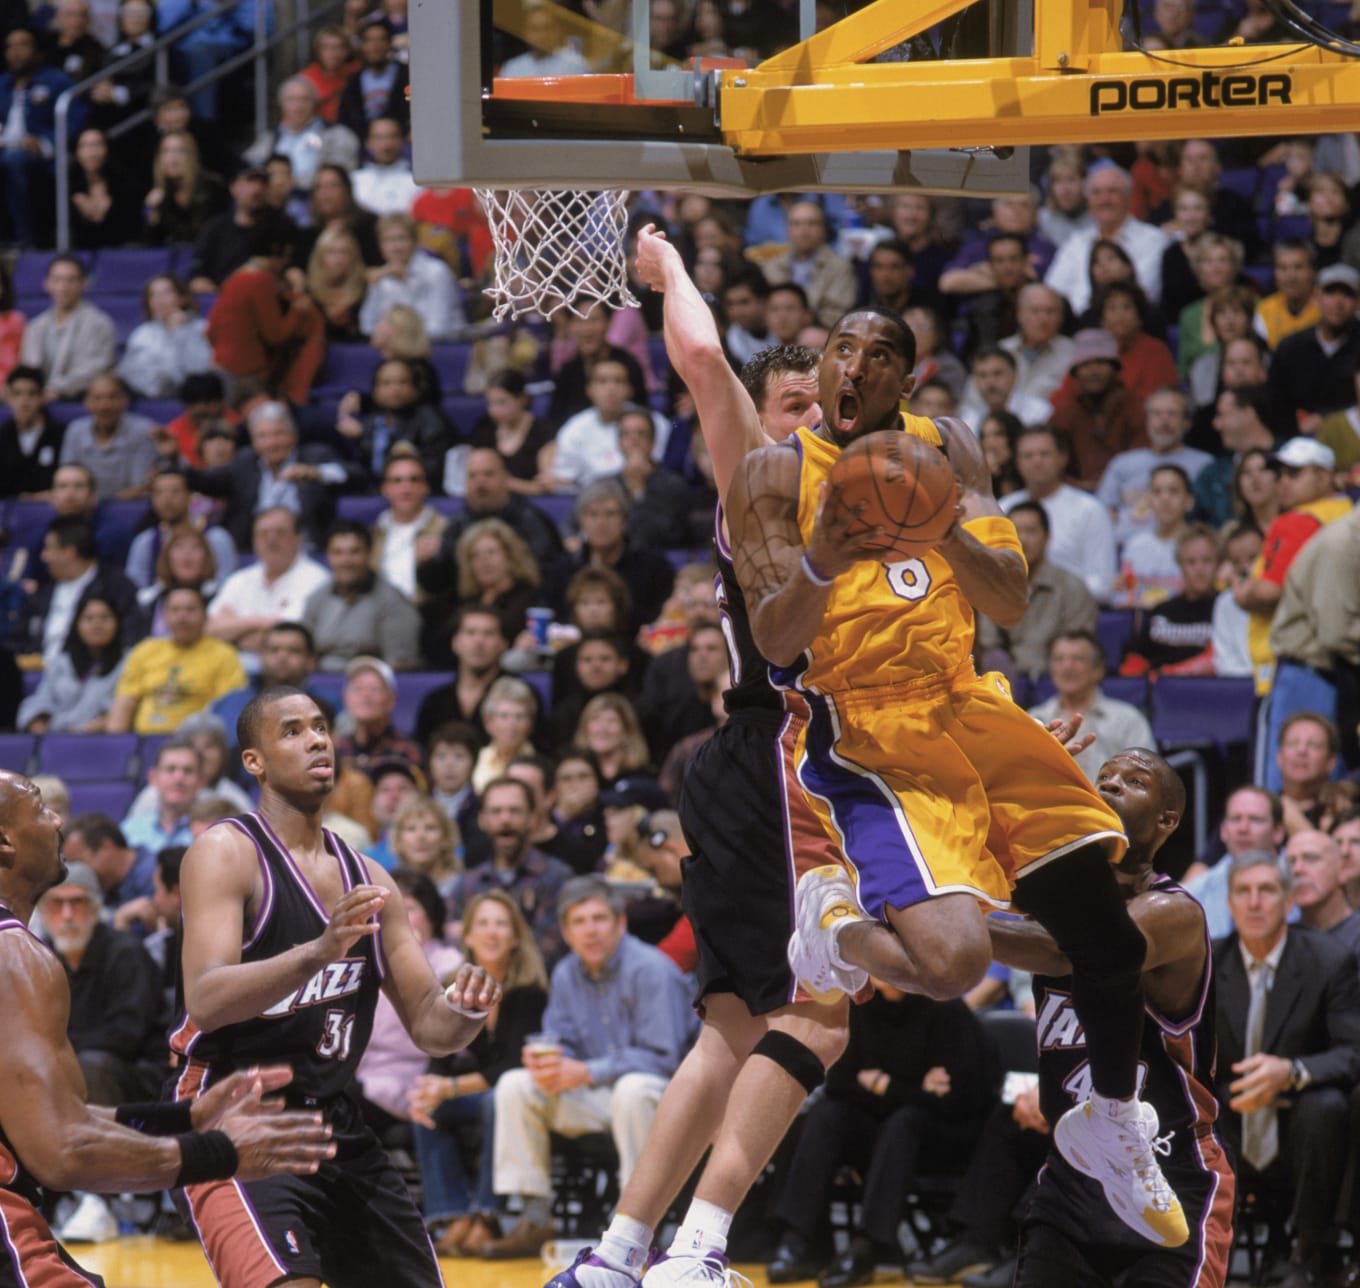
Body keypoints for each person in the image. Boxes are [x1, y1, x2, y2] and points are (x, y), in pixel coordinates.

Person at [725, 302, 1187, 1249]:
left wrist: (935, 522)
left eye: (877, 355)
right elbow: (775, 646)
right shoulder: (773, 473)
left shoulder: (953, 445)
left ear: (908, 378)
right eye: (840, 350)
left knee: (1104, 944)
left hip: (968, 699)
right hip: (864, 723)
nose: (852, 368)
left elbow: (1010, 596)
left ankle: (1108, 1117)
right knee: (956, 964)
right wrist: (825, 554)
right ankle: (839, 927)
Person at [169, 685, 501, 1287]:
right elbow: (207, 999)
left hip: (333, 1123)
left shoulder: (370, 877)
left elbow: (430, 1025)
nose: (317, 739)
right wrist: (317, 953)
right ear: (255, 762)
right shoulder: (225, 852)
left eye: (321, 726)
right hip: (236, 1114)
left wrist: (467, 1009)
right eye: (292, 731)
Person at [0, 770, 335, 1282]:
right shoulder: (12, 954)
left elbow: (52, 1117)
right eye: (40, 808)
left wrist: (185, 1119)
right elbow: (62, 1151)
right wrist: (220, 1153)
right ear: (4, 839)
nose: (58, 819)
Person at [987, 748, 1235, 1288]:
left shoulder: (1176, 912)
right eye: (1104, 778)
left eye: (1134, 780)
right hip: (1072, 1178)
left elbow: (1069, 950)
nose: (1113, 785)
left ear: (1166, 819)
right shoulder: (1052, 904)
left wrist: (953, 925)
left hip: (1170, 1167)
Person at [484, 875, 694, 1259]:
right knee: (516, 1084)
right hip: (597, 1097)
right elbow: (558, 1039)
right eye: (579, 923)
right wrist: (546, 1060)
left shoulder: (652, 970)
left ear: (620, 923)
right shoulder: (565, 973)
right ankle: (533, 1217)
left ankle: (635, 1222)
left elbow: (664, 1058)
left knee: (633, 1090)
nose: (590, 931)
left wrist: (586, 1072)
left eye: (599, 919)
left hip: (658, 1098)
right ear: (565, 932)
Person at [766, 985, 995, 1287]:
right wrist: (914, 1088)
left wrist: (882, 1085)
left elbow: (959, 1097)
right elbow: (839, 1083)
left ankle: (867, 1247)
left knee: (904, 1122)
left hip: (940, 1135)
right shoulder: (859, 1006)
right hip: (885, 1126)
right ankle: (800, 1241)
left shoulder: (943, 1005)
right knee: (827, 1115)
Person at [1212, 852, 1360, 1288]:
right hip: (1232, 1119)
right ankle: (1192, 1251)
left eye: (1267, 890)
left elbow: (1353, 1051)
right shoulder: (1206, 963)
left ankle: (1308, 1251)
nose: (1255, 902)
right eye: (1244, 891)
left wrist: (1291, 1072)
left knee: (1327, 1104)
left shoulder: (1329, 961)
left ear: (1290, 900)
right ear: (1230, 901)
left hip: (1301, 1129)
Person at [410, 889, 549, 1255]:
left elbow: (515, 1065)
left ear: (516, 937)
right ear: (467, 936)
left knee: (495, 1101)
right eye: (483, 924)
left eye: (502, 924)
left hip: (523, 1093)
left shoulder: (530, 991)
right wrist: (428, 1089)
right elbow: (438, 1051)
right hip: (479, 1091)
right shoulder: (452, 987)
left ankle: (488, 1215)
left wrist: (450, 1086)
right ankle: (453, 1215)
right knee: (429, 1108)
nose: (492, 933)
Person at [1236, 437, 1352, 701]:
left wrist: (1242, 591)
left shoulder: (1295, 521)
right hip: (1338, 659)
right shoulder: (1347, 512)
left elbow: (1269, 592)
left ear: (1324, 477)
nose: (1283, 482)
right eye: (1280, 474)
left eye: (1294, 473)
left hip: (1293, 662)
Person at [446, 776, 573, 973]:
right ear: (482, 820)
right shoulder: (468, 883)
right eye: (496, 811)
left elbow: (550, 950)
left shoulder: (557, 878)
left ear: (532, 818)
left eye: (515, 811)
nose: (505, 819)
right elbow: (454, 945)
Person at [1269, 505, 1360, 775]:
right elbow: (1336, 632)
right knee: (1295, 781)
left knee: (1335, 788)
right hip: (1310, 677)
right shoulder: (1341, 544)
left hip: (1340, 674)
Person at [207, 213, 326, 407]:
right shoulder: (261, 280)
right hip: (244, 375)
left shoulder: (234, 278)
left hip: (221, 367)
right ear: (279, 250)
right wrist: (297, 310)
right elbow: (276, 334)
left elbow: (211, 329)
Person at [976, 499, 1097, 686]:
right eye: (1015, 532)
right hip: (1009, 679)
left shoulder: (1073, 586)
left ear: (1047, 537)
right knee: (993, 659)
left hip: (1059, 679)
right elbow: (989, 642)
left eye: (1031, 531)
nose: (1022, 539)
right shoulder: (993, 586)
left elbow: (1078, 642)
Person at [107, 584, 245, 734]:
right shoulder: (145, 650)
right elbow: (125, 702)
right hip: (143, 741)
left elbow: (227, 709)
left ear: (205, 615)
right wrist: (115, 744)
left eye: (190, 610)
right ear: (164, 616)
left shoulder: (224, 654)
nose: (182, 617)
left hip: (194, 744)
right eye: (175, 610)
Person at [1001, 425, 1118, 600]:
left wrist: (1049, 598)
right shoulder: (1001, 508)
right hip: (1011, 610)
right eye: (1028, 456)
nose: (1036, 461)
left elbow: (1102, 583)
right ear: (1017, 462)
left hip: (1070, 612)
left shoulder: (1089, 510)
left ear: (1063, 458)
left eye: (1044, 454)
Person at [1028, 630, 1157, 783]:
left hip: (1109, 805)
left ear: (1098, 670)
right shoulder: (1034, 719)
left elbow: (1148, 777)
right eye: (1059, 659)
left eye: (1078, 659)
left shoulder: (1127, 719)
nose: (1067, 666)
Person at [206, 507, 330, 662]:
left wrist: (235, 632)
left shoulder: (317, 579)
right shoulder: (239, 579)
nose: (271, 540)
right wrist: (264, 623)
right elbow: (211, 629)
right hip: (234, 666)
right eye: (263, 533)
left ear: (298, 538)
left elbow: (290, 639)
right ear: (254, 540)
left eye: (280, 532)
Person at [1096, 385, 1212, 546]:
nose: (1164, 421)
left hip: (1185, 553)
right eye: (1156, 414)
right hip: (1125, 553)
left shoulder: (1204, 465)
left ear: (1186, 423)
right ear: (1147, 420)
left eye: (1172, 414)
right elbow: (1104, 514)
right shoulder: (1122, 463)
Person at [1044, 166, 1170, 313]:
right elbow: (1052, 293)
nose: (1104, 200)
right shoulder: (1076, 242)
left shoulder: (1153, 240)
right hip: (1077, 326)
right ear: (1088, 201)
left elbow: (1144, 293)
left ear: (1128, 197)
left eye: (1112, 191)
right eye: (1096, 193)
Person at [300, 520, 422, 671]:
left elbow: (400, 664)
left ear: (369, 554)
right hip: (319, 687)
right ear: (328, 557)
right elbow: (302, 655)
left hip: (367, 688)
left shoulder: (394, 603)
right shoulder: (316, 598)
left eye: (354, 552)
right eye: (338, 552)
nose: (346, 561)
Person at [0, 26, 80, 247]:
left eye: (23, 45)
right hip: (5, 150)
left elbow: (75, 121)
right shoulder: (2, 84)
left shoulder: (57, 81)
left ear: (37, 51)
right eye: (10, 47)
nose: (16, 52)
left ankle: (27, 239)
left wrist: (45, 143)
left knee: (13, 161)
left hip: (42, 159)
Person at [335, 355, 455, 490]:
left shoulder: (430, 419)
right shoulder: (372, 421)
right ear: (375, 391)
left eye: (403, 382)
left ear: (415, 389)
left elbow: (434, 467)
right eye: (386, 383)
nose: (395, 389)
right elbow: (363, 469)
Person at [16, 593, 126, 732]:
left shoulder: (129, 662)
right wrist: (38, 724)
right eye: (89, 618)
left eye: (104, 618)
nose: (96, 624)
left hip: (101, 740)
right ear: (77, 624)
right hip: (55, 737)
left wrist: (89, 729)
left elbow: (126, 707)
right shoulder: (62, 662)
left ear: (117, 623)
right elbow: (41, 700)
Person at [124, 465, 237, 593]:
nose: (167, 499)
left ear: (189, 495)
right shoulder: (145, 542)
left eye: (175, 491)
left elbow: (228, 588)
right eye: (159, 493)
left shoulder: (217, 538)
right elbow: (135, 590)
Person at [18, 254, 116, 401]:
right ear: (47, 284)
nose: (63, 287)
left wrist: (56, 388)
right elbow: (30, 368)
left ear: (84, 284)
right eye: (57, 280)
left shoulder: (100, 324)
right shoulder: (35, 326)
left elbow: (95, 369)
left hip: (82, 400)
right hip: (39, 401)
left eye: (71, 280)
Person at [358, 212, 463, 341]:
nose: (396, 247)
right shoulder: (382, 278)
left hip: (442, 348)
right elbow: (367, 327)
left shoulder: (436, 272)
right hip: (397, 348)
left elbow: (438, 328)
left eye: (401, 238)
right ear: (380, 246)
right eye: (388, 240)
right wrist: (374, 285)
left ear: (414, 241)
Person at [117, 274, 215, 400]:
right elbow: (133, 374)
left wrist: (178, 333)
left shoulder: (201, 328)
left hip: (196, 397)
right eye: (153, 295)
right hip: (150, 397)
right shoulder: (142, 334)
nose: (160, 300)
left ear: (182, 298)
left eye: (166, 293)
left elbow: (199, 369)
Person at [332, 654, 423, 779]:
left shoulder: (407, 751)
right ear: (345, 698)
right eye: (357, 688)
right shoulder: (335, 750)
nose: (365, 696)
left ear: (392, 699)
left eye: (375, 689)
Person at [141, 130, 226, 247]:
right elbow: (152, 245)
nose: (172, 157)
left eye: (180, 151)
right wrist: (150, 211)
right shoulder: (161, 195)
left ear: (191, 156)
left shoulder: (211, 187)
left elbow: (210, 237)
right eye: (166, 151)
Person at [337, 17, 409, 139]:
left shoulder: (406, 75)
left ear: (389, 44)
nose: (375, 46)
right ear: (362, 46)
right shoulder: (353, 82)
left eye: (381, 40)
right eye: (369, 40)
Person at [0, 365, 64, 499]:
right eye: (17, 394)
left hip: (52, 509)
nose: (24, 401)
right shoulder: (2, 436)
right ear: (8, 398)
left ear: (42, 397)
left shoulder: (60, 435)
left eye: (31, 393)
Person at [350, 115, 419, 218]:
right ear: (367, 143)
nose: (386, 145)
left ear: (402, 141)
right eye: (379, 138)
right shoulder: (354, 180)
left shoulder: (417, 182)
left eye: (392, 137)